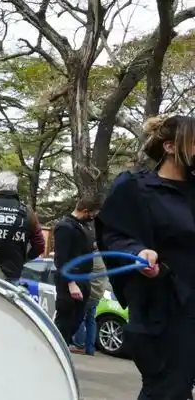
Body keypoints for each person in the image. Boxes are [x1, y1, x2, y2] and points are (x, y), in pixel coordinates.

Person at [95, 115, 195, 399]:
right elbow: (113, 234)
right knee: (168, 391)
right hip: (163, 309)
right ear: (170, 147)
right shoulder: (135, 188)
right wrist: (137, 254)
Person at [53, 196, 100, 346]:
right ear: (85, 211)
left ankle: (64, 346)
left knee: (78, 319)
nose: (93, 218)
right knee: (65, 321)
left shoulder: (84, 227)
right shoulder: (65, 227)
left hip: (84, 278)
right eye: (92, 214)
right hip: (70, 280)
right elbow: (61, 259)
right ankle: (57, 350)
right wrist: (71, 283)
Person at [72, 250, 107, 356]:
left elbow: (81, 270)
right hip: (98, 293)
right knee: (91, 320)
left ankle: (79, 344)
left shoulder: (92, 256)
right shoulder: (103, 257)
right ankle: (90, 349)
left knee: (80, 317)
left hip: (89, 293)